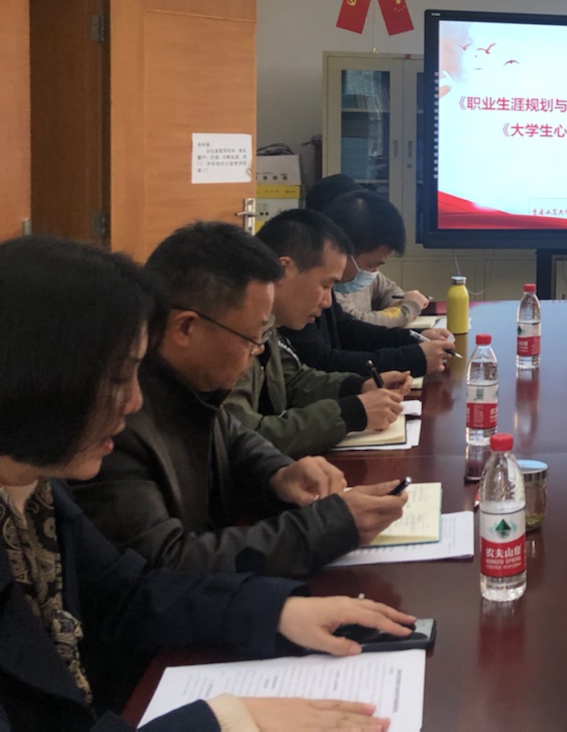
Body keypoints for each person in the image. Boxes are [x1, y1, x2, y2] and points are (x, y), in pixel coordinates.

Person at [0, 234, 413, 731]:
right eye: (117, 378)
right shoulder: (73, 461)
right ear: (35, 373)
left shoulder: (38, 488)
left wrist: (277, 612)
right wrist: (224, 721)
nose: (134, 401)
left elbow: (132, 594)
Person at [70, 222, 408, 578]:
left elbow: (233, 437)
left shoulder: (190, 382)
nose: (259, 349)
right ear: (186, 327)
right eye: (253, 336)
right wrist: (325, 527)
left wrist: (279, 474)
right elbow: (167, 564)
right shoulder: (114, 421)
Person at [223, 210, 410, 457]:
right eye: (325, 285)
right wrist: (351, 413)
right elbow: (243, 438)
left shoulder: (267, 325)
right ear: (283, 269)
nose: (327, 301)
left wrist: (359, 386)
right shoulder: (228, 333)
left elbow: (293, 381)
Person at [287, 191, 456, 376]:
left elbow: (348, 329)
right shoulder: (296, 300)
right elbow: (323, 361)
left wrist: (415, 338)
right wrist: (411, 358)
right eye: (370, 265)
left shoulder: (320, 288)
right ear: (343, 249)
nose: (327, 301)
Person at [307, 174, 427, 327]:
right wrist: (407, 309)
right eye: (370, 265)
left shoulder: (361, 269)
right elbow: (354, 324)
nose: (372, 272)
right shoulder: (324, 285)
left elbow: (390, 292)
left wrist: (397, 308)